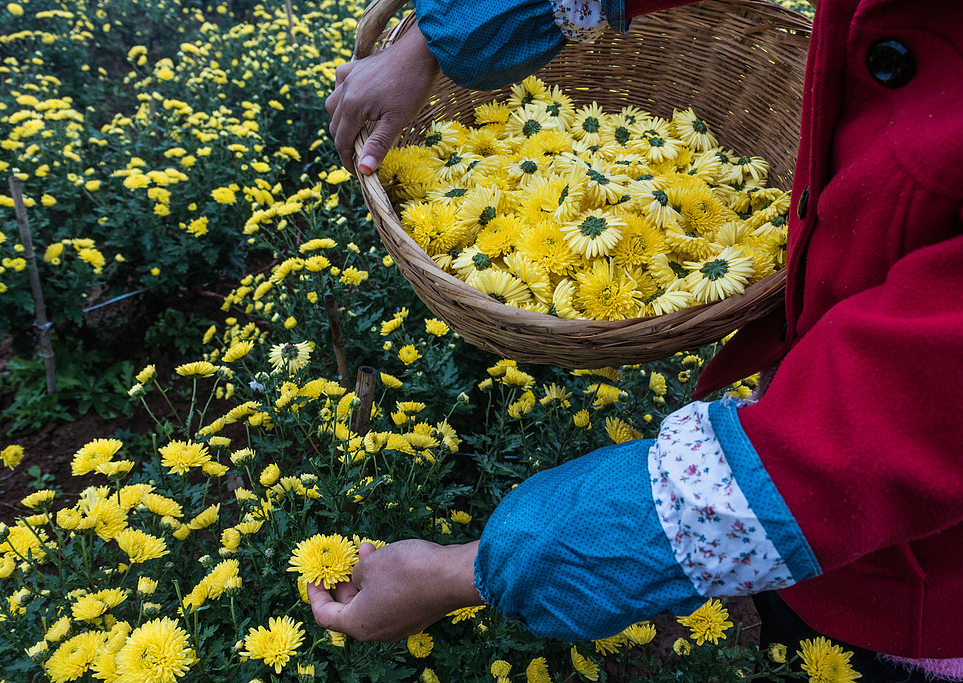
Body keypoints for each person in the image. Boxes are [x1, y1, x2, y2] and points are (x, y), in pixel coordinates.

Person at [316, 0, 963, 679]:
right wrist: (440, 36)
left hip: (923, 593)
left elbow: (875, 427)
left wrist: (467, 571)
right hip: (819, 478)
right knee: (794, 625)